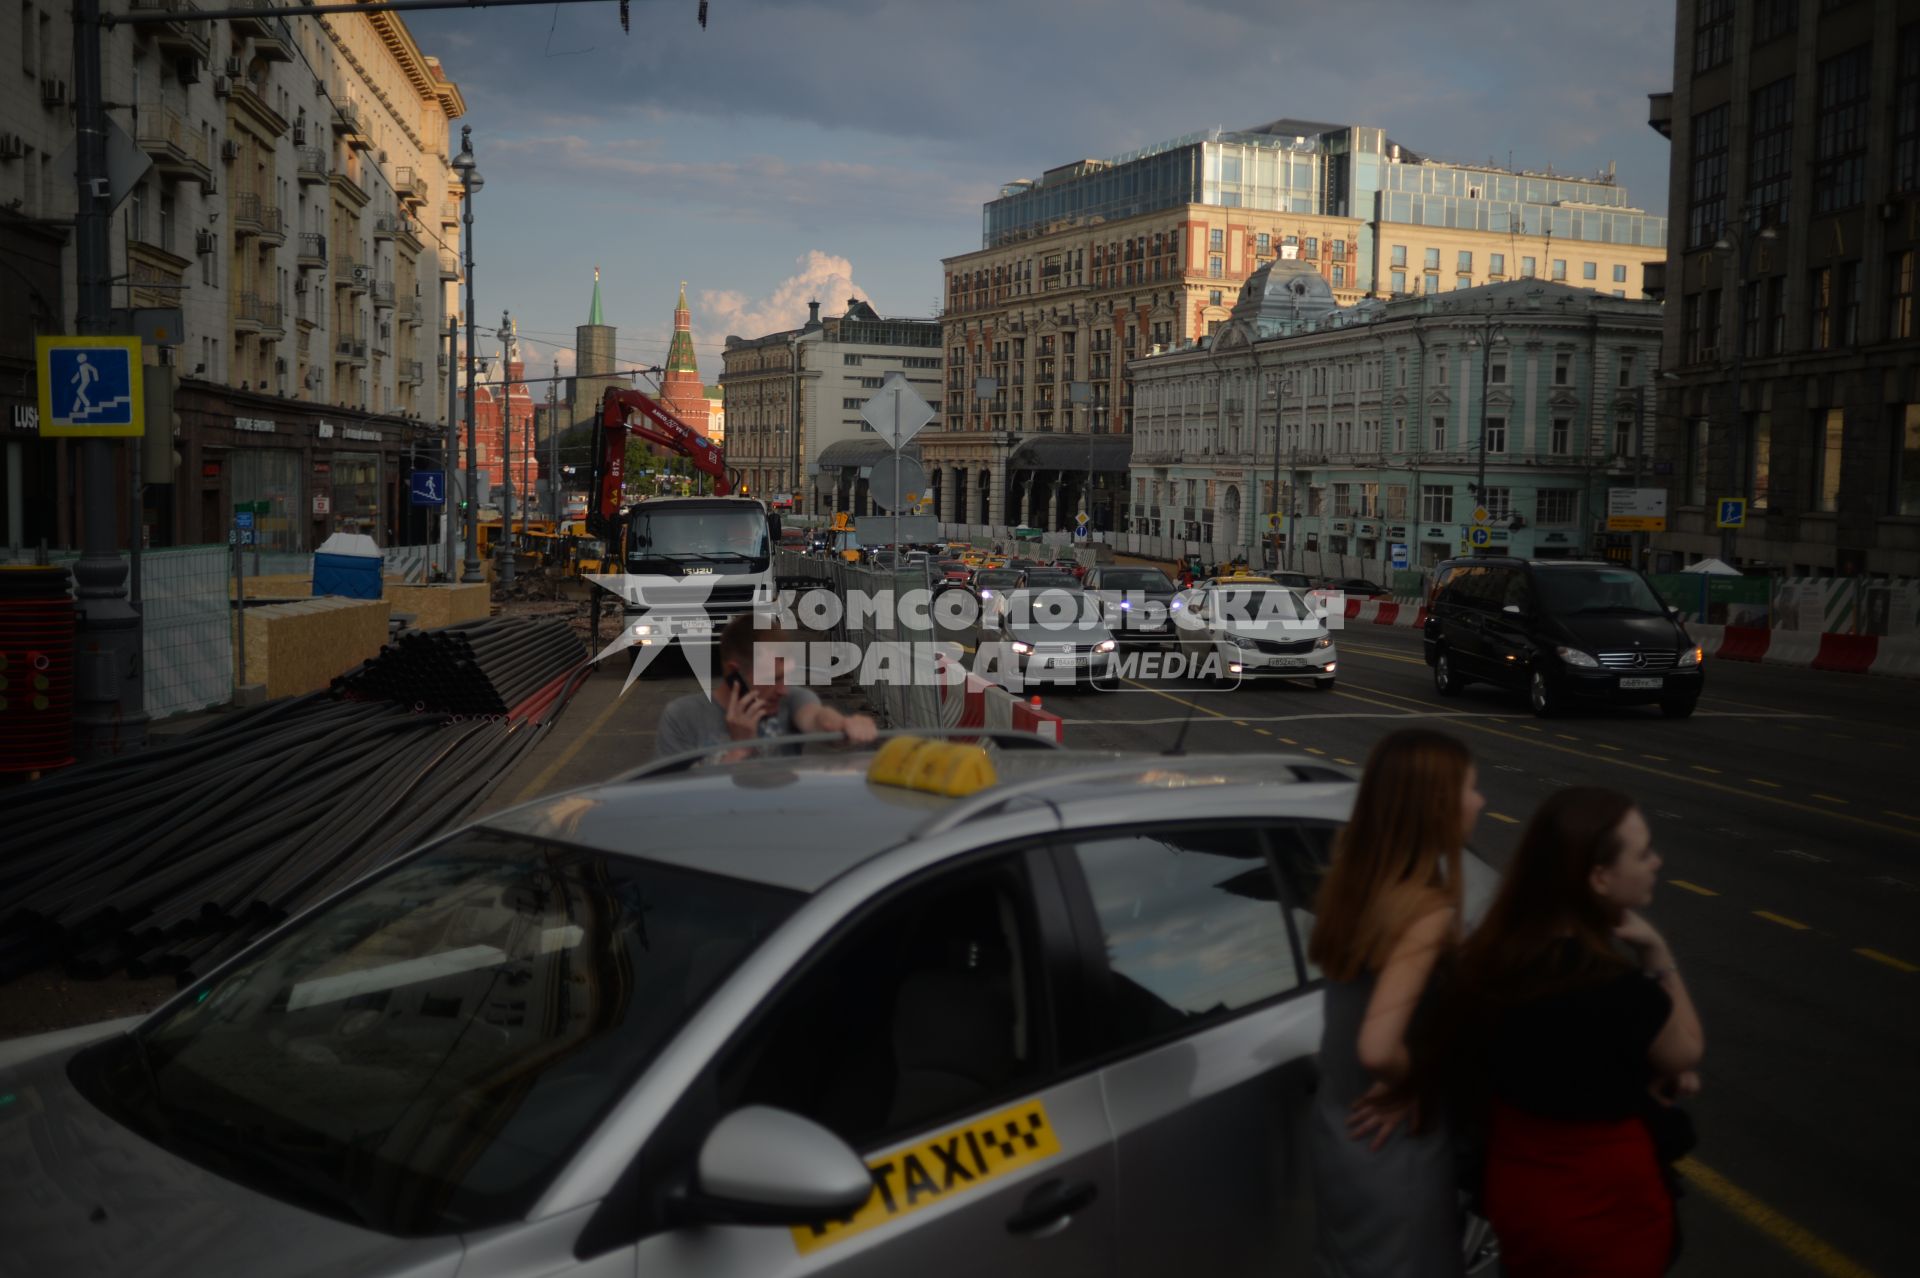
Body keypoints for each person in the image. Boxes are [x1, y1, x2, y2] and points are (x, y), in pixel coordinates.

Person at [1450, 788, 1704, 1278]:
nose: (1656, 861)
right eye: (1643, 852)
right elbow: (1685, 1050)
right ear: (1600, 877)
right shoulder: (1618, 991)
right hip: (1604, 1213)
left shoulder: (1491, 964)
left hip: (1520, 1199)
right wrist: (1656, 953)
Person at [1307, 728, 1483, 1278]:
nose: (1481, 802)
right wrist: (1415, 1081)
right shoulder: (1424, 910)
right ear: (1436, 806)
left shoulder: (1353, 889)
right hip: (1394, 1142)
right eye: (1471, 788)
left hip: (1339, 1133)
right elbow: (1380, 1046)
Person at [653, 613, 878, 762]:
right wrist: (740, 749)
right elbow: (672, 800)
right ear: (735, 674)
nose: (783, 690)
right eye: (773, 678)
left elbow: (816, 717)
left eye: (786, 677)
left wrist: (843, 725)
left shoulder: (791, 701)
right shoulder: (683, 717)